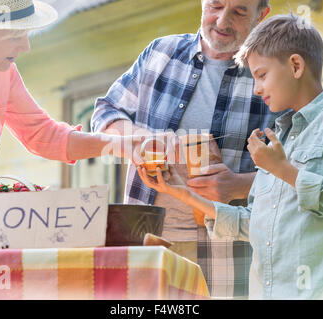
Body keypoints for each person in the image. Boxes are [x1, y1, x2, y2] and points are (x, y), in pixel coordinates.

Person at [137, 13, 323, 299]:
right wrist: (184, 194)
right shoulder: (281, 136)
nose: (257, 88)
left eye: (262, 75)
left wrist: (283, 170)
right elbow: (256, 223)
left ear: (296, 65)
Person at [91, 0, 276, 298]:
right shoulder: (160, 53)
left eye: (240, 11)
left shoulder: (268, 75)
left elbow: (296, 175)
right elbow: (104, 115)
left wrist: (238, 185)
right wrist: (140, 140)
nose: (222, 21)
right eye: (215, 5)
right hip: (145, 245)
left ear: (261, 16)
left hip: (226, 254)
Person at [0, 0, 143, 196]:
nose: (25, 47)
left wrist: (121, 144)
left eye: (25, 35)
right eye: (14, 36)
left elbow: (44, 135)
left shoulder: (2, 74)